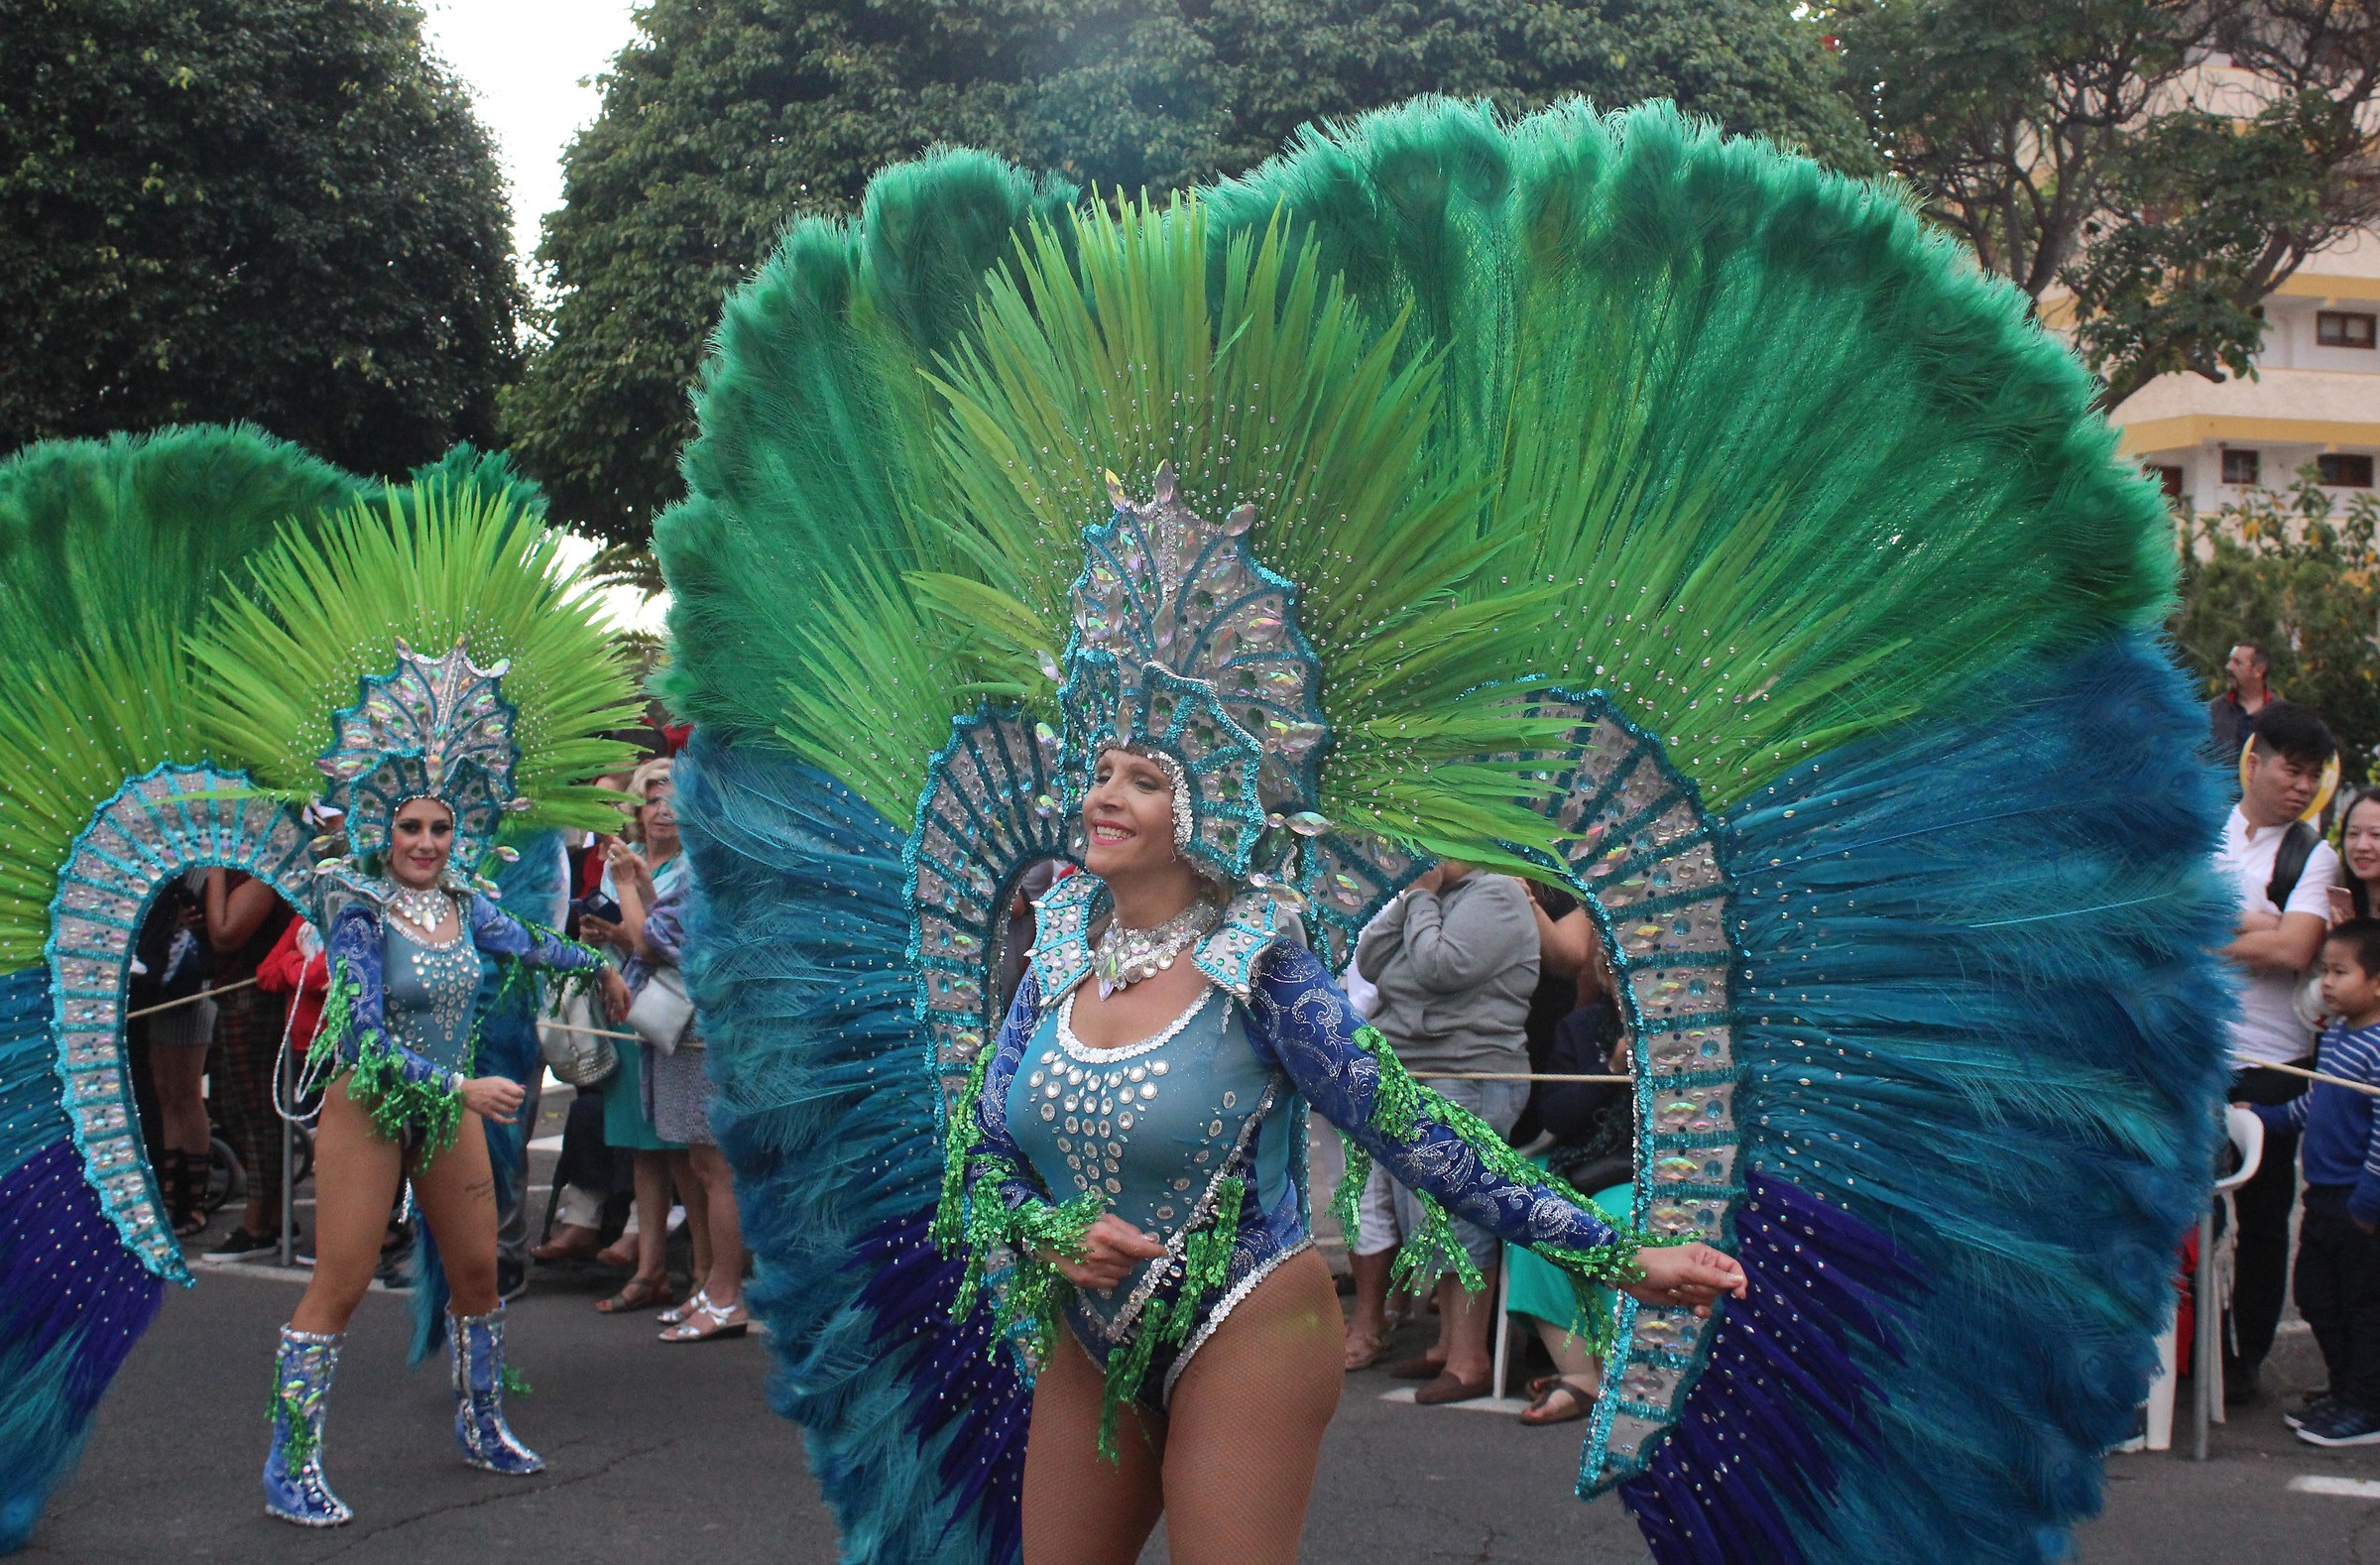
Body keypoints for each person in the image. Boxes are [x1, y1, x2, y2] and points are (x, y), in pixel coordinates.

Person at [952, 743, 1741, 1563]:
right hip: (1089, 1332)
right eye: (1102, 776)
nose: (1105, 799)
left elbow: (1421, 1136)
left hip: (1245, 1326)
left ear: (1206, 820)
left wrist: (1616, 1254)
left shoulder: (1261, 971)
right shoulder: (1056, 956)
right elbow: (984, 1148)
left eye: (1144, 783)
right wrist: (1046, 1230)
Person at [261, 644, 633, 1528]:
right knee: (342, 1282)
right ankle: (290, 1462)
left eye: (439, 829)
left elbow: (531, 944)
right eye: (410, 830)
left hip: (445, 1110)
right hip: (374, 1107)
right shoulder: (355, 907)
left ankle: (482, 1421)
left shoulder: (467, 902)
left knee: (476, 1271)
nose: (427, 844)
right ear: (382, 834)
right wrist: (462, 1091)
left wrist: (600, 962)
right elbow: (364, 1040)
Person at [1341, 861, 1540, 1402]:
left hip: (1469, 1074)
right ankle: (1447, 1344)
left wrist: (1422, 900)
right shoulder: (1427, 894)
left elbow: (1439, 969)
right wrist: (1412, 899)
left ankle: (1470, 1359)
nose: (1419, 855)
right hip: (1415, 1070)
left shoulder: (1497, 894)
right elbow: (1371, 961)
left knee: (1458, 1208)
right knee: (1423, 1211)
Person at [2217, 700, 2343, 1403]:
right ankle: (2184, 1344)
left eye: (2314, 776)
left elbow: (2296, 949)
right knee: (2180, 1213)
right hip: (2194, 1051)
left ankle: (2246, 1358)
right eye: (2292, 771)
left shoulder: (2313, 854)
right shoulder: (2200, 833)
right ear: (2255, 761)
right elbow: (2161, 915)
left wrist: (2205, 928)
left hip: (2273, 1066)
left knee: (2264, 1221)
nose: (2302, 787)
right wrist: (2249, 927)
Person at [2242, 919, 2380, 1446]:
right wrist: (2266, 1116)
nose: (2326, 983)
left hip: (2357, 1202)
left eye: (2340, 972)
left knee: (2362, 1307)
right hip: (2324, 1197)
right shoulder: (2339, 1035)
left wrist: (2368, 1202)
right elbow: (2314, 1101)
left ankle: (2365, 1405)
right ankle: (2346, 1390)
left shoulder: (2375, 1048)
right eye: (2324, 971)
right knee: (2318, 1298)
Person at [578, 757, 689, 1310]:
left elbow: (648, 942)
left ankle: (704, 1272)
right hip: (624, 1010)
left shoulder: (688, 868)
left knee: (682, 1149)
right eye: (651, 800)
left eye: (671, 800)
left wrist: (619, 929)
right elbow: (621, 935)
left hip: (672, 1020)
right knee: (642, 1149)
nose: (661, 811)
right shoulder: (621, 862)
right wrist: (598, 930)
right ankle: (651, 1269)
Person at [204, 866, 296, 1256]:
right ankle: (273, 1214)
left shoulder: (264, 870)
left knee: (256, 1108)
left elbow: (225, 933)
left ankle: (258, 1224)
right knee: (228, 1102)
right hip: (232, 993)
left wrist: (213, 873)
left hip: (256, 995)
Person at [2210, 642, 2280, 761]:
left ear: (2258, 670)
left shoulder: (2281, 715)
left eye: (2237, 663)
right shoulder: (2213, 710)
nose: (2229, 667)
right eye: (2230, 661)